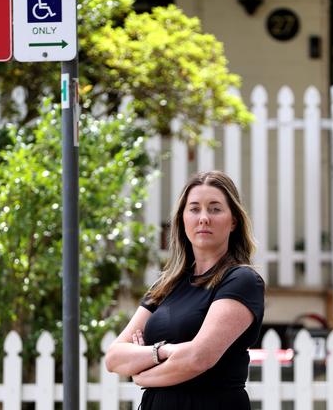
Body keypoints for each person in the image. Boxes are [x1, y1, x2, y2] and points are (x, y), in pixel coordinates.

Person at [105, 170, 265, 409]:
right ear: (182, 219)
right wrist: (162, 351)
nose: (203, 218)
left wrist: (142, 374)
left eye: (215, 208)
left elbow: (199, 358)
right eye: (194, 209)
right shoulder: (166, 285)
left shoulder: (241, 280)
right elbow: (114, 358)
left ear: (233, 221)